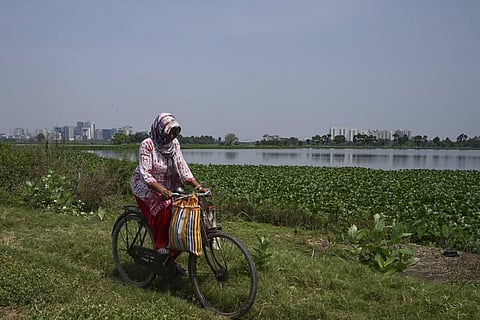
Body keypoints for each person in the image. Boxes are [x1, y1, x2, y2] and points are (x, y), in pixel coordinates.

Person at [130, 113, 208, 275]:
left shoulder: (174, 145)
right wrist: (161, 190)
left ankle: (170, 260)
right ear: (160, 130)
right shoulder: (148, 145)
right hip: (145, 186)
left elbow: (182, 166)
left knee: (182, 216)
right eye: (169, 132)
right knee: (163, 207)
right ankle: (161, 248)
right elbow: (146, 173)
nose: (172, 136)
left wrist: (198, 186)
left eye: (175, 132)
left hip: (168, 186)